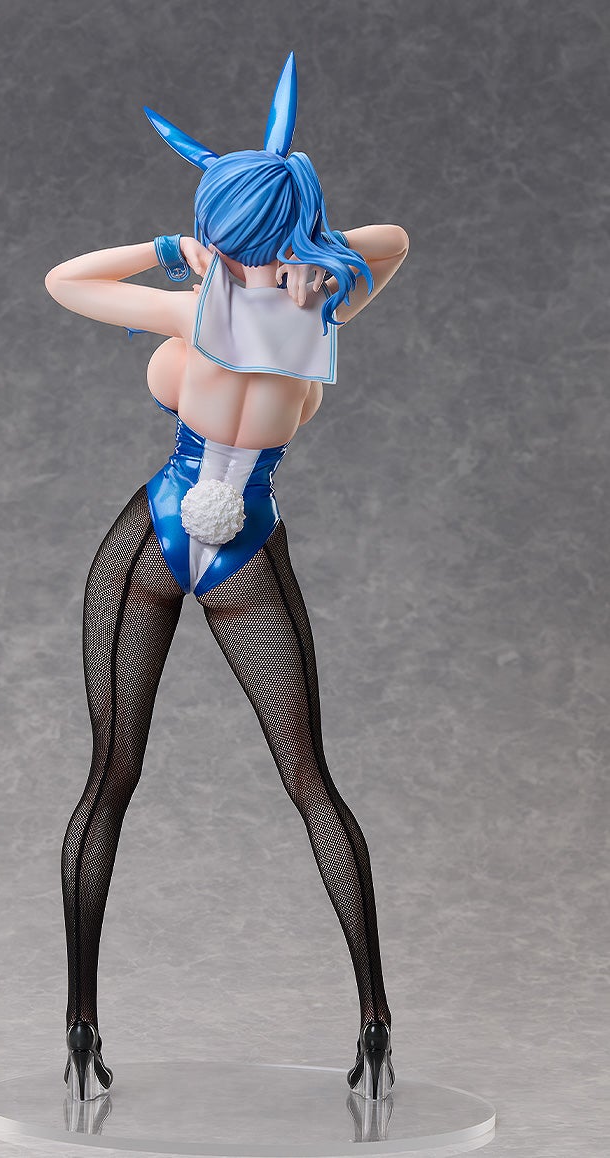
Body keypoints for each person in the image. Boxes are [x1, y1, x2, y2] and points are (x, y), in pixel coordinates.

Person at [44, 53, 409, 1103]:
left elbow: (66, 282)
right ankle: (376, 1018)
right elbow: (393, 238)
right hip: (248, 541)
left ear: (219, 226)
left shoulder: (195, 308)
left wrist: (174, 250)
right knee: (311, 781)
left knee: (110, 778)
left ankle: (79, 1023)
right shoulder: (324, 305)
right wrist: (314, 251)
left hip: (154, 537)